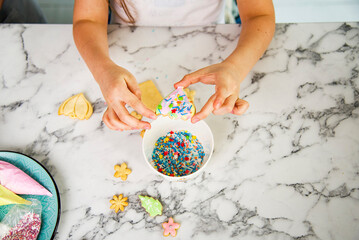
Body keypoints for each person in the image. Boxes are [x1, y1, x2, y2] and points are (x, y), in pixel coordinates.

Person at [73, 0, 275, 131]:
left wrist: (235, 68)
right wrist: (103, 70)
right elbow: (87, 19)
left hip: (215, 42)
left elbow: (260, 15)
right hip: (125, 45)